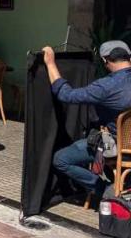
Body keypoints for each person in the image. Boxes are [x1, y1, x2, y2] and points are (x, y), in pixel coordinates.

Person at [43, 40, 131, 201]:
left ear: (105, 60)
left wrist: (50, 63)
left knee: (61, 159)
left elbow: (66, 95)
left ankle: (105, 189)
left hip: (119, 147)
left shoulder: (106, 86)